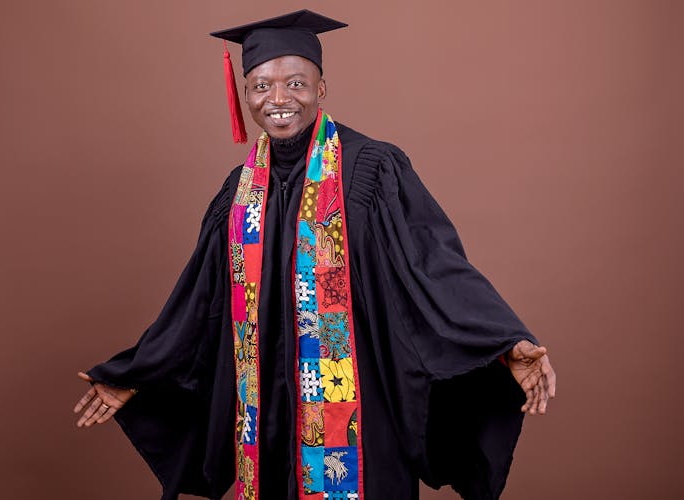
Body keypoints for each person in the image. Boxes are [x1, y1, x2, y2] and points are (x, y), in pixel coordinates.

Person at [73, 9, 556, 500]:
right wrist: (135, 376)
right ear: (245, 95)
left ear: (321, 88)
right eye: (261, 86)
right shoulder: (238, 194)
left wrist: (503, 341)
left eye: (296, 83)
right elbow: (198, 304)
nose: (279, 99)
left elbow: (434, 266)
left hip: (358, 419)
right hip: (266, 424)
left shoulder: (371, 171)